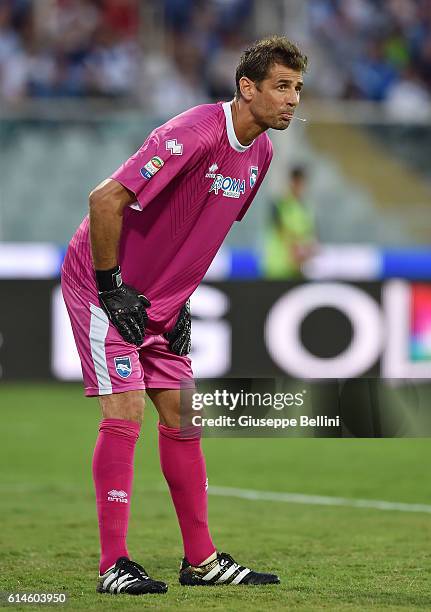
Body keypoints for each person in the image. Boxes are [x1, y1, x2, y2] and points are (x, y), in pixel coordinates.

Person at [61, 34, 307, 595]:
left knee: (183, 418)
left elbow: (200, 230)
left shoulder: (262, 153)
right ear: (247, 88)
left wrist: (180, 300)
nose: (293, 100)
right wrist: (111, 287)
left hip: (161, 303)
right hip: (106, 286)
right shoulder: (194, 131)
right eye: (282, 87)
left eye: (298, 89)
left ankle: (201, 561)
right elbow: (105, 200)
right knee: (125, 412)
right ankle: (112, 565)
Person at [264, 165, 317, 278]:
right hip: (278, 268)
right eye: (297, 182)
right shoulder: (280, 205)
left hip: (297, 269)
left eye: (301, 183)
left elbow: (308, 235)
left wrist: (308, 249)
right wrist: (297, 248)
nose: (299, 187)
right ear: (291, 182)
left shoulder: (305, 209)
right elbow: (281, 231)